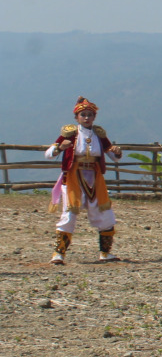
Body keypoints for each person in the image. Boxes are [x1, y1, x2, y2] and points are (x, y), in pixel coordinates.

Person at [45, 97, 123, 264]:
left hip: (95, 179)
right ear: (77, 118)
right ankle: (59, 254)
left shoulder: (99, 135)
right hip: (74, 178)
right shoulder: (70, 134)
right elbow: (49, 153)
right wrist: (60, 147)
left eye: (90, 115)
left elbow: (112, 155)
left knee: (105, 213)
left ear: (94, 117)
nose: (86, 118)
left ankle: (105, 253)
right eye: (83, 115)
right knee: (70, 212)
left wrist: (116, 151)